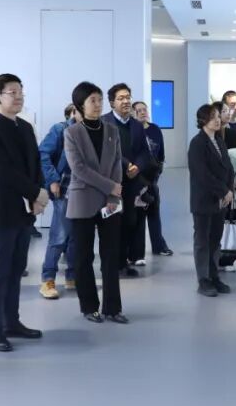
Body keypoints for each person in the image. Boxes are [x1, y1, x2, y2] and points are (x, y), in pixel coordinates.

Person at [0, 74, 48, 352]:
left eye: (20, 92)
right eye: (12, 92)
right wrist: (35, 193)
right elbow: (1, 172)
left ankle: (11, 322)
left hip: (24, 210)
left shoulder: (25, 127)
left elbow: (35, 164)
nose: (18, 97)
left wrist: (37, 194)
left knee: (16, 268)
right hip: (0, 210)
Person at [65, 81, 129, 324]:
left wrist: (113, 195)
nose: (98, 104)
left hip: (110, 203)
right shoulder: (72, 133)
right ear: (80, 105)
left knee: (111, 256)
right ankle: (89, 306)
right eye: (92, 100)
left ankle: (113, 308)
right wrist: (110, 186)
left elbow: (117, 164)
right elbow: (78, 169)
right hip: (82, 201)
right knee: (83, 258)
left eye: (100, 99)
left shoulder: (112, 130)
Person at [102, 83, 153, 279]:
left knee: (128, 222)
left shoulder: (137, 125)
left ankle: (122, 263)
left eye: (128, 97)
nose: (126, 101)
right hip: (110, 183)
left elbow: (145, 152)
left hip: (131, 183)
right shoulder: (104, 122)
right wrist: (127, 164)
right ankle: (109, 265)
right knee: (110, 224)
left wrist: (137, 166)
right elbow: (107, 152)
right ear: (112, 102)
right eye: (121, 98)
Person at [188, 103, 235, 297]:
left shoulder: (219, 140)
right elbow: (202, 174)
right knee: (202, 241)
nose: (217, 120)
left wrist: (229, 190)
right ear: (203, 120)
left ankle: (214, 276)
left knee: (215, 240)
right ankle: (204, 280)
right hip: (204, 200)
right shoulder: (197, 143)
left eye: (218, 116)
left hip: (221, 200)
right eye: (213, 117)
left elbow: (229, 168)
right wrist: (223, 191)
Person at [38, 103, 80, 300]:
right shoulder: (60, 129)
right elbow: (43, 154)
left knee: (77, 236)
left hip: (85, 192)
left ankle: (72, 276)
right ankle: (48, 279)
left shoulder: (93, 130)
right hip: (64, 188)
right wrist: (52, 179)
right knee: (59, 235)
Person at [131, 101, 173, 261]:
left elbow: (161, 154)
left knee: (154, 211)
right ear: (133, 113)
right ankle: (137, 253)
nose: (143, 112)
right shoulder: (132, 130)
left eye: (144, 109)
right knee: (139, 215)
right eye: (139, 110)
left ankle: (159, 246)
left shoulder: (155, 129)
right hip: (137, 178)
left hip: (152, 177)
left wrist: (157, 172)